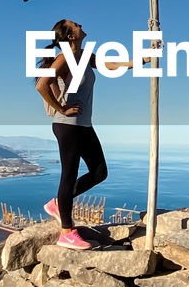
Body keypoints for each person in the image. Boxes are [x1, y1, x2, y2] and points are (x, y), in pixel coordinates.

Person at [35, 19, 157, 249]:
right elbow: (42, 85)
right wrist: (62, 108)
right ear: (70, 35)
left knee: (100, 172)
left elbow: (112, 65)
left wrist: (144, 59)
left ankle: (57, 204)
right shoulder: (65, 58)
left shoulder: (84, 55)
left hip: (83, 125)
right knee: (68, 174)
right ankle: (66, 232)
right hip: (68, 125)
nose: (80, 24)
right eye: (75, 24)